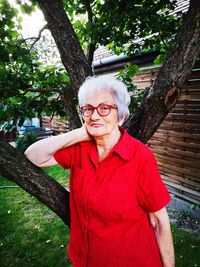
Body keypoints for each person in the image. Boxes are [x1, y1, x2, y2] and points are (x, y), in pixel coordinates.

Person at [25, 75, 175, 267]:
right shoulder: (80, 149)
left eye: (104, 108)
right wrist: (80, 132)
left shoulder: (140, 156)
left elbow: (160, 222)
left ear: (120, 116)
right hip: (85, 258)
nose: (94, 116)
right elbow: (33, 155)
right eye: (88, 109)